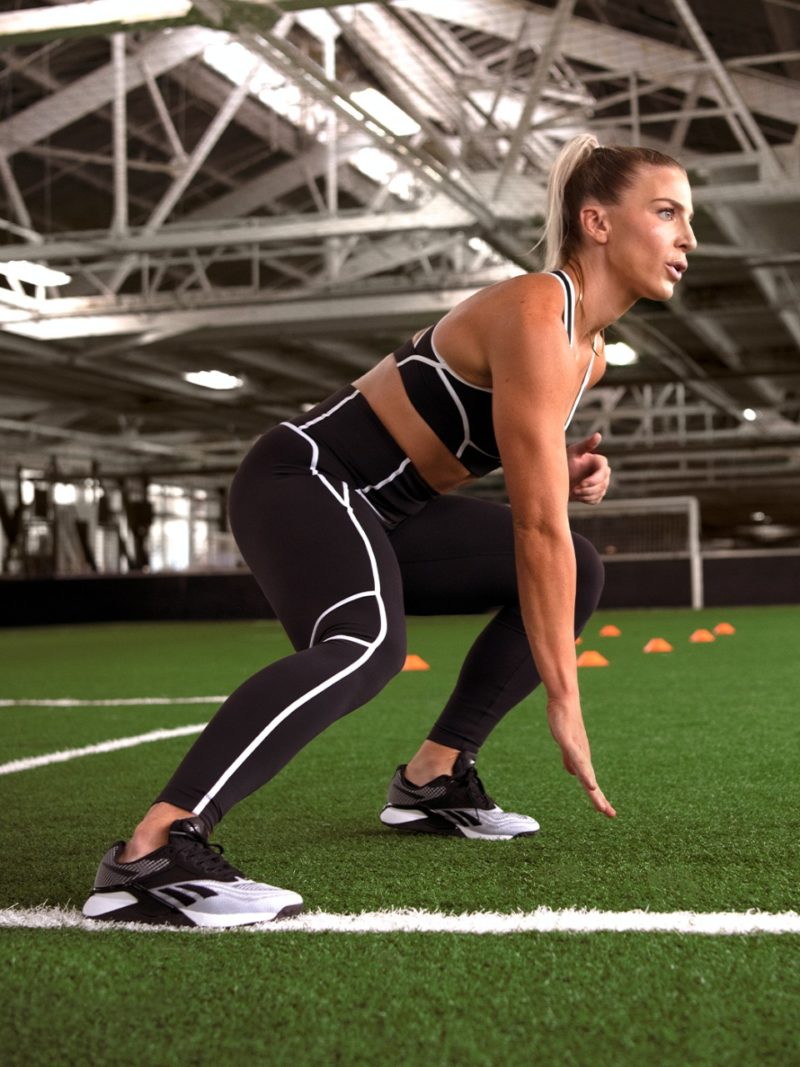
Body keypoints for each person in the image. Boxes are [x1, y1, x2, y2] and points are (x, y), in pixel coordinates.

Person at [82, 134, 696, 927]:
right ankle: (154, 850)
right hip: (303, 479)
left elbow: (526, 491)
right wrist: (565, 700)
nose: (689, 238)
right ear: (598, 222)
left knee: (581, 562)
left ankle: (433, 779)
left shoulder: (591, 353)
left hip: (389, 508)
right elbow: (532, 527)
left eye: (689, 218)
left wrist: (561, 467)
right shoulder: (538, 308)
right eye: (668, 212)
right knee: (367, 644)